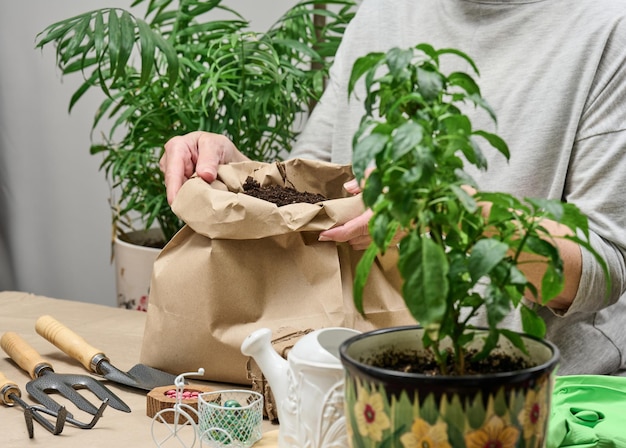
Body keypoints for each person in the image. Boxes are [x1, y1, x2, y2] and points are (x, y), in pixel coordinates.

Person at [160, 0, 626, 376]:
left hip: (522, 393)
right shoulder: (382, 13)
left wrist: (450, 212)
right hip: (372, 373)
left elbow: (602, 274)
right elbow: (321, 189)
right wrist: (240, 174)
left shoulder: (607, 28)